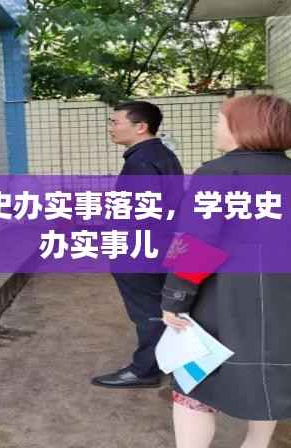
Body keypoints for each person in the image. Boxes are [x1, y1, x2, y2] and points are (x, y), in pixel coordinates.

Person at [161, 94, 291, 448]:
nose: (214, 127)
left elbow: (195, 245)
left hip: (221, 297)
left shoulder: (215, 173)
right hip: (284, 298)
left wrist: (174, 297)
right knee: (269, 377)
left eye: (220, 120)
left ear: (243, 128)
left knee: (194, 383)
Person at [91, 101, 184, 388]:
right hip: (159, 247)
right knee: (159, 309)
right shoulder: (162, 155)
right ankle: (166, 361)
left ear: (140, 127)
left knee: (148, 313)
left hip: (140, 252)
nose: (110, 128)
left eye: (115, 122)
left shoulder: (141, 162)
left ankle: (145, 371)